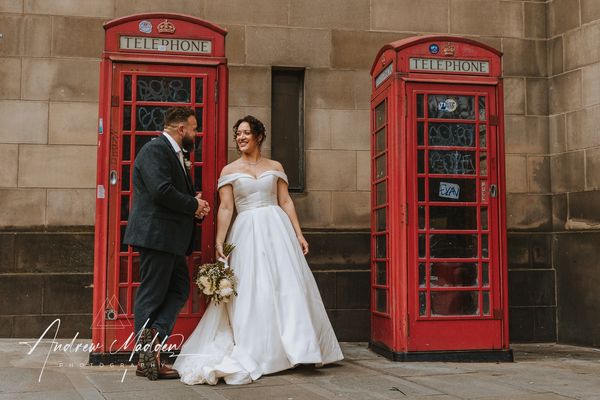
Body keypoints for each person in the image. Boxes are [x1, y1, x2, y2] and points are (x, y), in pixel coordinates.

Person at [173, 115, 343, 385]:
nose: (240, 137)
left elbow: (285, 201)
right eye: (237, 134)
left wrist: (299, 234)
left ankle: (300, 349)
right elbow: (226, 207)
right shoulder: (229, 170)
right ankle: (264, 351)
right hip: (247, 231)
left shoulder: (275, 166)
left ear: (259, 136)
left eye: (245, 133)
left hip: (278, 230)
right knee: (256, 289)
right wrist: (220, 241)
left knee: (288, 286)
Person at [123, 106, 210, 380]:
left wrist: (193, 206)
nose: (196, 134)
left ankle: (152, 344)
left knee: (180, 289)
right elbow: (161, 191)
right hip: (156, 236)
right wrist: (193, 204)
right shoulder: (155, 150)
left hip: (170, 239)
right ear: (181, 129)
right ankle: (146, 356)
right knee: (151, 294)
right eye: (194, 129)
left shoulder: (174, 153)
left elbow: (169, 192)